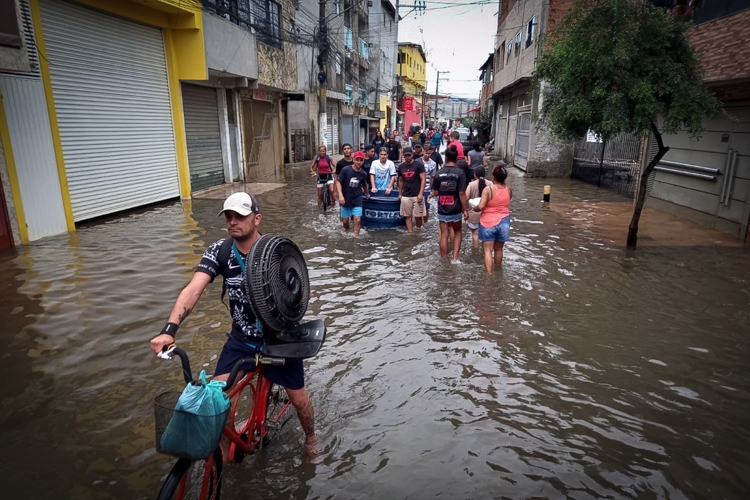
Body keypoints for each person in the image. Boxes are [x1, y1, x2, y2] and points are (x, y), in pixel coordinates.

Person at [149, 192, 317, 454]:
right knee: (217, 398)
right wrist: (169, 330)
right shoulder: (220, 251)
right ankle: (225, 454)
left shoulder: (276, 251)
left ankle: (311, 440)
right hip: (241, 340)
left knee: (297, 398)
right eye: (228, 216)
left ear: (257, 218)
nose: (232, 221)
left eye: (240, 215)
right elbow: (194, 289)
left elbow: (301, 290)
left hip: (279, 340)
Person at [429, 145, 468, 261]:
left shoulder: (439, 173)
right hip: (456, 208)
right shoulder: (460, 173)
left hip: (442, 208)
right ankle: (455, 258)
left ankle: (444, 258)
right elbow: (462, 193)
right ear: (456, 158)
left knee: (444, 235)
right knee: (457, 232)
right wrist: (465, 209)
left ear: (445, 158)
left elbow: (435, 192)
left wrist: (433, 194)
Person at [474, 164, 512, 272]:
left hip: (488, 222)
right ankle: (498, 271)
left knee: (487, 251)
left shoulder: (488, 190)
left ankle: (489, 276)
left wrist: (474, 209)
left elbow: (481, 206)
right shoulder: (509, 189)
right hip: (504, 222)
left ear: (493, 177)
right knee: (499, 249)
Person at [337, 151, 370, 235]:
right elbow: (338, 182)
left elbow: (364, 185)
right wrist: (340, 195)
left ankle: (356, 238)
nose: (359, 162)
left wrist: (367, 194)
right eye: (357, 160)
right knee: (345, 221)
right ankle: (347, 233)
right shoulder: (346, 170)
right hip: (345, 199)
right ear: (354, 160)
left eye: (361, 160)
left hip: (357, 199)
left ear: (363, 161)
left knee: (357, 220)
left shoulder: (363, 173)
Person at [397, 147, 426, 232]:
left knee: (418, 216)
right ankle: (410, 233)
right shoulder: (401, 167)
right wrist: (400, 193)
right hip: (406, 195)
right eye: (406, 156)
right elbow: (400, 180)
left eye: (409, 155)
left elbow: (423, 179)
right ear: (403, 156)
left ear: (412, 155)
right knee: (408, 216)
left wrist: (421, 194)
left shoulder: (419, 165)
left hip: (417, 195)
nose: (407, 157)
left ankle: (418, 230)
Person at [466, 166, 487, 249]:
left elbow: (466, 198)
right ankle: (485, 251)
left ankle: (475, 251)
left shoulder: (471, 185)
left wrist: (466, 211)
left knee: (475, 233)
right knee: (485, 234)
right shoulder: (490, 184)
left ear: (475, 175)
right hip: (486, 213)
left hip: (474, 213)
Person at [421, 145, 438, 221]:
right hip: (417, 188)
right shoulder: (417, 162)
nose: (427, 155)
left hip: (427, 189)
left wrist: (432, 190)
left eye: (429, 153)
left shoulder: (433, 164)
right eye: (426, 153)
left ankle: (425, 223)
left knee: (426, 208)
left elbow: (432, 177)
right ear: (423, 152)